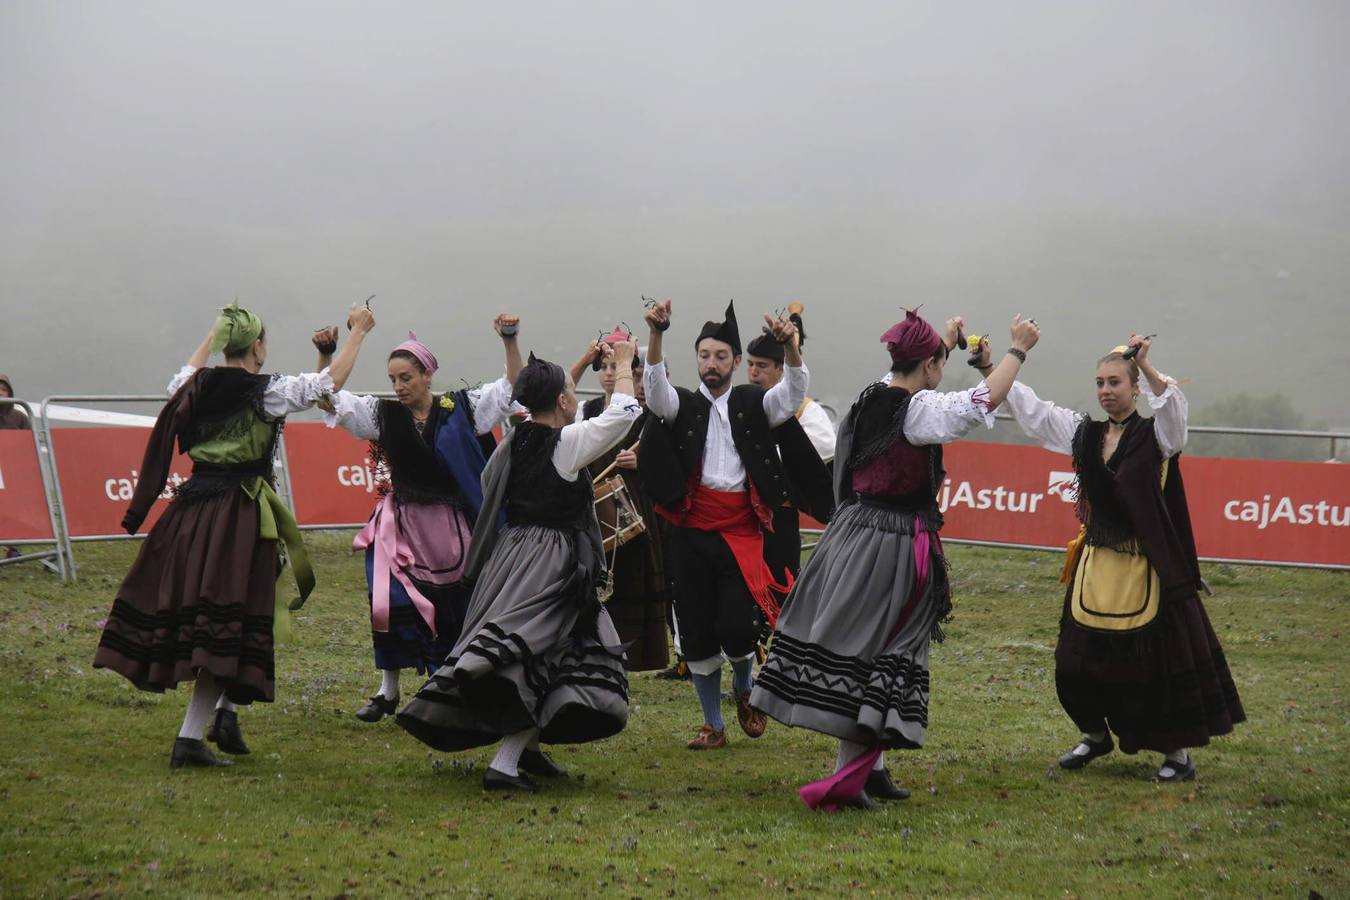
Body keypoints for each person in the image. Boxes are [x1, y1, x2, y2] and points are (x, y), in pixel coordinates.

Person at [751, 309, 1041, 811]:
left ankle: (873, 769)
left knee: (878, 646)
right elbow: (980, 401)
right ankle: (850, 777)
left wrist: (942, 344)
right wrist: (1017, 350)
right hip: (887, 540)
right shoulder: (916, 409)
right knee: (873, 650)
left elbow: (852, 454)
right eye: (938, 364)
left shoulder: (872, 395)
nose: (939, 373)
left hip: (856, 530)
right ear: (927, 365)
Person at [93, 301, 375, 768]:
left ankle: (225, 712)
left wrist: (215, 333)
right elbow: (329, 385)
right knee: (229, 620)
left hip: (192, 510)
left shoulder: (193, 385)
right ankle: (190, 737)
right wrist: (359, 332)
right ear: (258, 346)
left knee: (226, 615)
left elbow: (185, 372)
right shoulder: (262, 392)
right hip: (236, 513)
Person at [397, 344, 641, 793]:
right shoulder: (565, 444)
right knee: (540, 652)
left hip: (512, 555)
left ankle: (525, 750)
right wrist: (624, 364)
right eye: (570, 391)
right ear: (566, 403)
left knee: (547, 649)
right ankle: (505, 765)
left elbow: (492, 482)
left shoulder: (515, 439)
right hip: (552, 561)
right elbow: (624, 413)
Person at [1001, 335, 1245, 782]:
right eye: (1099, 383)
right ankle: (1094, 735)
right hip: (1096, 564)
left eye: (1115, 382)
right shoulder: (1085, 434)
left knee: (1153, 668)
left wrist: (1148, 367)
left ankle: (1176, 755)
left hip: (1149, 566)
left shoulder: (1157, 437)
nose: (1106, 390)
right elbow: (1035, 414)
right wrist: (987, 369)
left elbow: (1174, 411)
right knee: (1072, 665)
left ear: (1134, 389)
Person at [638, 299, 833, 751]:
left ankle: (745, 688)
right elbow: (653, 389)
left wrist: (792, 348)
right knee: (697, 633)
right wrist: (656, 335)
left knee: (737, 629)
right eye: (704, 355)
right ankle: (713, 725)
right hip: (690, 534)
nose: (711, 363)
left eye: (720, 356)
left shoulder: (754, 402)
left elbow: (793, 392)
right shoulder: (681, 404)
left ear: (736, 362)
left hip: (742, 534)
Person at [316, 315, 524, 721]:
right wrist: (327, 353)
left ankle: (453, 685)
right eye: (393, 379)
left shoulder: (462, 408)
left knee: (456, 606)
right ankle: (387, 690)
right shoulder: (383, 416)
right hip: (401, 527)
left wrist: (510, 340)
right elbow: (328, 399)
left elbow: (514, 387)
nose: (398, 386)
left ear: (428, 375)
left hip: (453, 527)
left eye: (407, 377)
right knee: (389, 603)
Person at [571, 328, 670, 671]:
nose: (610, 374)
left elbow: (674, 460)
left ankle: (634, 655)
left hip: (638, 512)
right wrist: (585, 358)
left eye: (617, 367)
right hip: (595, 510)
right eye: (605, 368)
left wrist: (644, 462)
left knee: (632, 580)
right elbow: (554, 401)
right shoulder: (586, 410)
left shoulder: (650, 414)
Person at [743, 308, 837, 593]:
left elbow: (824, 448)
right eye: (750, 364)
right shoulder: (742, 405)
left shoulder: (807, 410)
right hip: (741, 516)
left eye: (762, 365)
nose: (753, 372)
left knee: (779, 592)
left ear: (781, 369)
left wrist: (767, 460)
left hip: (779, 518)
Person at [1, 374, 31, 560]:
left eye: (4, 389)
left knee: (16, 512)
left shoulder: (19, 417)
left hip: (15, 474)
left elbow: (30, 442)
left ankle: (14, 548)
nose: (0, 393)